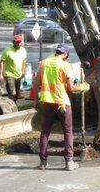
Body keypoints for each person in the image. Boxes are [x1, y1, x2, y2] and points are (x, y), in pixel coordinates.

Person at [32, 43, 87, 171]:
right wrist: (83, 87)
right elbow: (71, 88)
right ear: (66, 54)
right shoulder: (66, 66)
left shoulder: (43, 63)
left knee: (45, 132)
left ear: (56, 52)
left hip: (47, 103)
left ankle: (43, 163)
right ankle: (69, 162)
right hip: (62, 102)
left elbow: (36, 84)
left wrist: (35, 101)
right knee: (68, 132)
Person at [0, 34, 27, 102]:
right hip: (9, 74)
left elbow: (24, 61)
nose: (18, 43)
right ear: (13, 42)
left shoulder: (23, 50)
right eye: (17, 42)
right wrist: (0, 75)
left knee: (16, 94)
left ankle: (12, 104)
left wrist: (23, 71)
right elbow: (2, 62)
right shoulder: (7, 50)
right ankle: (13, 108)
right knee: (13, 93)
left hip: (18, 75)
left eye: (20, 42)